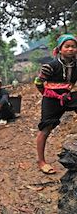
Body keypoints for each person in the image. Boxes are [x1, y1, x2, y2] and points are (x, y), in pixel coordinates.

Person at [34, 33, 77, 174]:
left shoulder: (76, 65)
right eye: (67, 46)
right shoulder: (50, 66)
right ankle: (41, 161)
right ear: (59, 49)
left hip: (67, 96)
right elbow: (38, 83)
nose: (70, 49)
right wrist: (47, 95)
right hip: (51, 99)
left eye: (73, 46)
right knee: (46, 129)